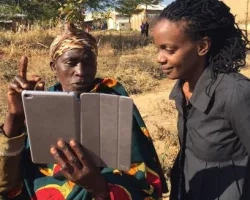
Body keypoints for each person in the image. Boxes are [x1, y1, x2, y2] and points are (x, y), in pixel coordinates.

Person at [0, 23, 167, 199]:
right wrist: (15, 117)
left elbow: (142, 181)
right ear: (53, 66)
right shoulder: (39, 105)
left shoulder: (115, 104)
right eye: (70, 63)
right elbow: (6, 183)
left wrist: (99, 187)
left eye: (88, 63)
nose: (80, 72)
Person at [152, 0, 250, 200]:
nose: (160, 58)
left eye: (169, 50)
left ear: (202, 46)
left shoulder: (236, 93)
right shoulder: (182, 87)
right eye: (158, 49)